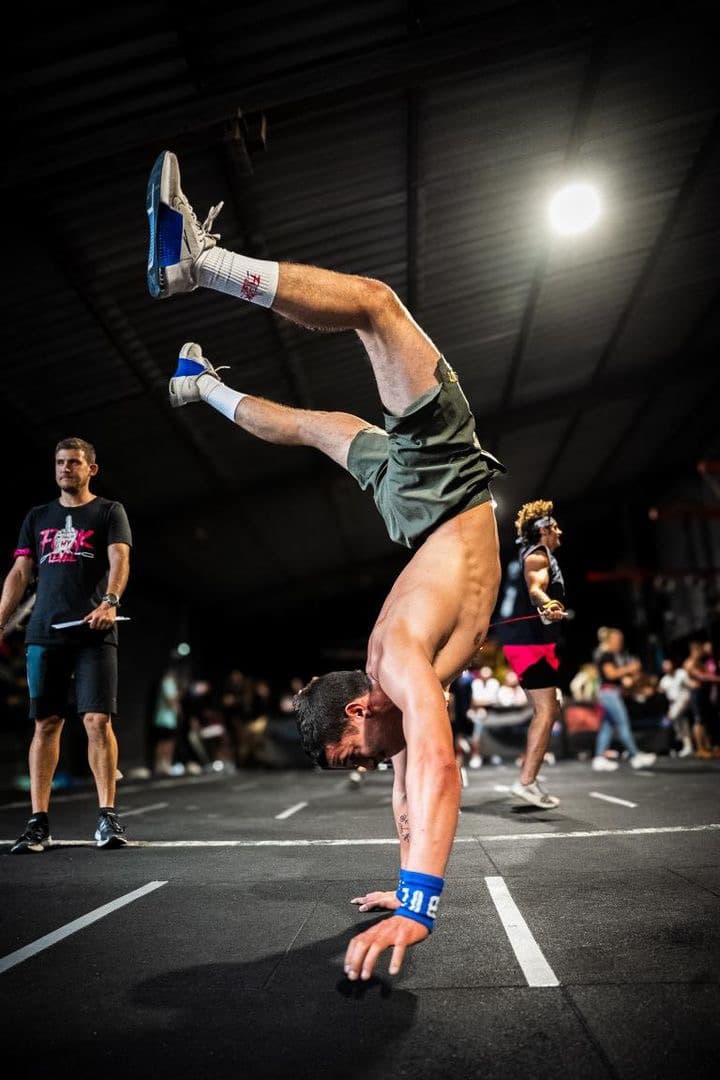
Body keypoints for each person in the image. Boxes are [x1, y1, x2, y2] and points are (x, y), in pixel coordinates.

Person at [146, 150, 507, 979]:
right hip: (417, 511)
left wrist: (420, 903)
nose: (376, 764)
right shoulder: (393, 689)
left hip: (437, 489)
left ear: (359, 711)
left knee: (376, 309)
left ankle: (203, 265)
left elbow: (437, 766)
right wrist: (402, 882)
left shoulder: (398, 660)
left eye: (359, 754)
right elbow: (411, 793)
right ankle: (199, 387)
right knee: (322, 425)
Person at [0, 437, 132, 851]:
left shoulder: (109, 511)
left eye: (74, 462)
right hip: (45, 633)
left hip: (95, 630)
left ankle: (108, 817)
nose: (65, 469)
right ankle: (38, 821)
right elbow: (20, 573)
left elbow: (119, 559)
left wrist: (110, 601)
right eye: (59, 462)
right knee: (46, 724)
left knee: (97, 721)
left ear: (91, 468)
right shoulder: (38, 517)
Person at [494, 501, 567, 808]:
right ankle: (526, 782)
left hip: (531, 641)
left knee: (551, 705)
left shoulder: (528, 554)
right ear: (543, 530)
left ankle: (528, 777)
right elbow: (536, 587)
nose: (559, 531)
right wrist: (546, 602)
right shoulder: (538, 556)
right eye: (555, 527)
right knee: (546, 711)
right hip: (528, 642)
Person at [591, 627, 656, 771]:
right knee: (623, 724)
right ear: (610, 640)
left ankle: (599, 758)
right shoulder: (606, 655)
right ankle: (635, 756)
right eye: (617, 640)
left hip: (609, 693)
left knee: (607, 727)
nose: (620, 643)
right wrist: (630, 668)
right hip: (609, 694)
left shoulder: (610, 655)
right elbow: (611, 675)